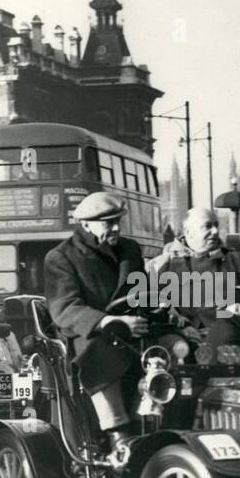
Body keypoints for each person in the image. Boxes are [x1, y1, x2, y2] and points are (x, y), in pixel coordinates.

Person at [44, 192, 148, 453]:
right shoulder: (61, 257)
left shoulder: (130, 250)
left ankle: (151, 421)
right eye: (108, 223)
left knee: (173, 351)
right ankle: (119, 433)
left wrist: (166, 309)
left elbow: (143, 294)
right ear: (85, 224)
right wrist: (107, 320)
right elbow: (65, 307)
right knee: (102, 354)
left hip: (131, 332)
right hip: (86, 335)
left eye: (117, 221)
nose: (115, 228)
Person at [148, 207, 240, 333]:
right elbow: (150, 303)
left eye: (216, 225)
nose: (215, 231)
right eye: (207, 226)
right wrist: (173, 317)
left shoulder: (239, 263)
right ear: (189, 232)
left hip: (229, 339)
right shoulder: (160, 265)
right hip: (178, 341)